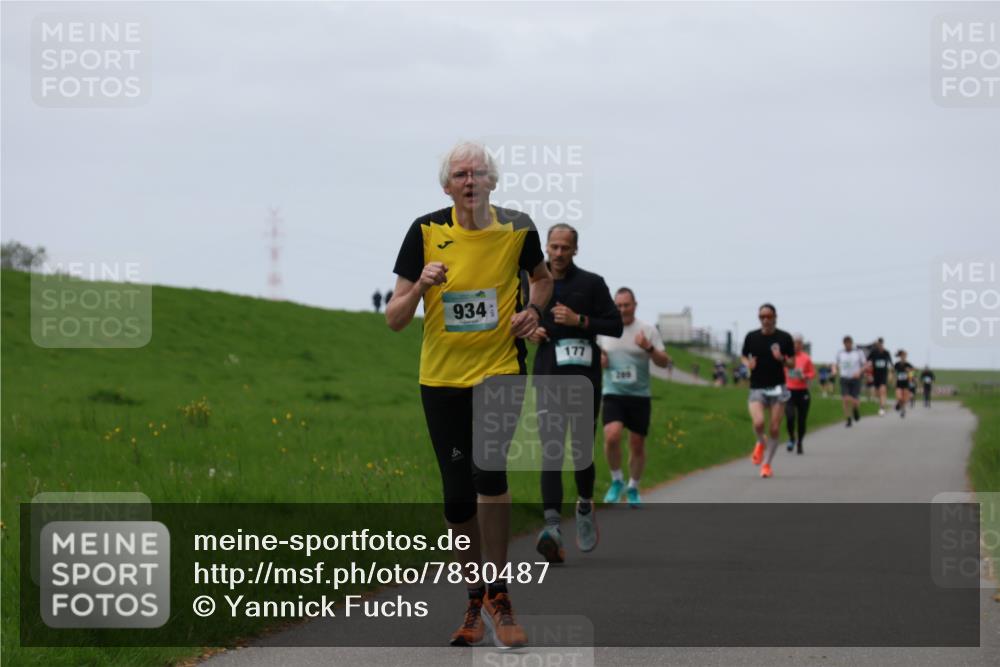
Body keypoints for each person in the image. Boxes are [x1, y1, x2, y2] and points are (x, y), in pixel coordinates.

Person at [386, 141, 553, 648]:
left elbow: (542, 280)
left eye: (479, 173)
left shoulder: (518, 228)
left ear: (493, 182)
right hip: (441, 379)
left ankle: (501, 595)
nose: (470, 181)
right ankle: (474, 598)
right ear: (447, 186)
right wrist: (420, 285)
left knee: (490, 472)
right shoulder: (424, 231)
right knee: (458, 496)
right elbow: (394, 319)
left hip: (500, 370)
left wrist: (533, 311)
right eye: (461, 174)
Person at [528, 224, 622, 563]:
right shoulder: (532, 282)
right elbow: (516, 318)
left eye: (565, 248)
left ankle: (584, 505)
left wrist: (578, 320)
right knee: (552, 450)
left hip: (584, 380)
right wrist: (530, 330)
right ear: (546, 247)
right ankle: (552, 528)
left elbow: (614, 325)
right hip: (548, 377)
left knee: (581, 451)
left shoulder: (592, 284)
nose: (558, 253)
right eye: (553, 247)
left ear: (575, 250)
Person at [598, 288, 670, 506]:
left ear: (635, 305)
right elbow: (596, 356)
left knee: (637, 444)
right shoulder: (605, 331)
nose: (622, 310)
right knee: (611, 435)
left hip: (639, 395)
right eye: (618, 306)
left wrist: (648, 347)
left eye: (626, 305)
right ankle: (616, 480)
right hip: (613, 393)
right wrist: (600, 361)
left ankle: (633, 487)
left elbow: (664, 362)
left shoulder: (647, 330)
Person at [741, 303, 795, 478]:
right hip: (757, 386)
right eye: (762, 317)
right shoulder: (751, 337)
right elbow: (743, 356)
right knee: (758, 423)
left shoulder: (784, 337)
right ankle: (760, 442)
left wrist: (781, 359)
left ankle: (766, 465)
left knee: (774, 428)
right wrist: (748, 364)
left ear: (775, 317)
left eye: (768, 317)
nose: (765, 320)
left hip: (778, 388)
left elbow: (792, 363)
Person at [784, 333, 816, 454]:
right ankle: (792, 438)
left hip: (802, 392)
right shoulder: (786, 357)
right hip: (789, 391)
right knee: (790, 417)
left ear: (802, 345)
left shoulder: (806, 358)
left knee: (801, 420)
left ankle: (800, 443)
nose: (796, 345)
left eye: (799, 343)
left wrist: (805, 376)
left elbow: (812, 373)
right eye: (794, 343)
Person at [833, 335, 866, 427]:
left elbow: (865, 365)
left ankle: (855, 409)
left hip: (855, 378)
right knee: (845, 399)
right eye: (845, 343)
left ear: (851, 343)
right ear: (843, 344)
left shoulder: (858, 352)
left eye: (849, 343)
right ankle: (848, 419)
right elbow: (835, 364)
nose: (847, 345)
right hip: (844, 378)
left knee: (855, 399)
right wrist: (834, 370)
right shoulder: (840, 353)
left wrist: (859, 372)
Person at [866, 338, 893, 416]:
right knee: (877, 393)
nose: (880, 345)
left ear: (883, 344)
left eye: (881, 344)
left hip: (883, 375)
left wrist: (890, 374)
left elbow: (890, 364)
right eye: (878, 344)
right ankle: (881, 403)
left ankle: (882, 408)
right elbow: (867, 362)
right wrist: (869, 374)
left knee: (882, 390)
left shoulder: (886, 353)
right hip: (875, 375)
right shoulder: (873, 353)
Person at [894, 350, 915, 418]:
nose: (903, 357)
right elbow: (893, 372)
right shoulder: (897, 364)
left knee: (904, 399)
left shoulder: (908, 364)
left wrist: (910, 374)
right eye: (902, 356)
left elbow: (912, 372)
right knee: (899, 397)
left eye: (905, 356)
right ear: (900, 356)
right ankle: (898, 404)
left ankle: (903, 410)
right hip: (898, 384)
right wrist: (893, 379)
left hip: (906, 384)